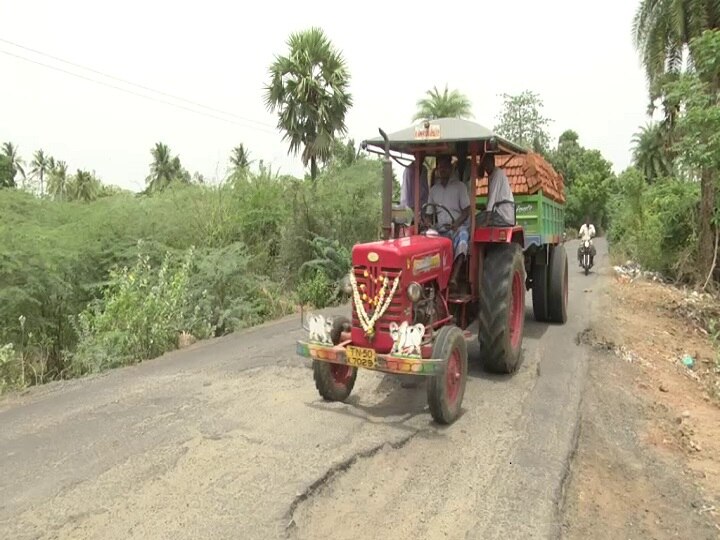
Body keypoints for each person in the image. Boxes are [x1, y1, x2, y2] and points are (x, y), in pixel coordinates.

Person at [424, 155, 471, 286]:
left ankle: (454, 277)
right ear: (437, 170)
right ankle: (430, 279)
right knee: (425, 238)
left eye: (445, 167)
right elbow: (428, 213)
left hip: (455, 227)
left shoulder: (460, 187)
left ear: (450, 169)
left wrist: (456, 224)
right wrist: (428, 224)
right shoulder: (434, 190)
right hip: (440, 229)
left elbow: (467, 210)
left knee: (463, 237)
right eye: (440, 168)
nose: (442, 170)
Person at [478, 153, 515, 226]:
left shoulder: (497, 174)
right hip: (498, 212)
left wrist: (487, 221)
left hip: (503, 215)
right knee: (477, 218)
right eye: (484, 166)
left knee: (476, 221)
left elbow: (492, 199)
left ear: (493, 162)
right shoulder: (491, 175)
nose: (486, 168)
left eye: (487, 164)